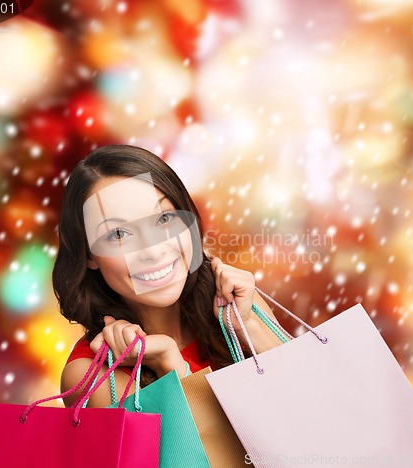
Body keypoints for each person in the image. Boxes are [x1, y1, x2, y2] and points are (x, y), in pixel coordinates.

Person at [54, 144, 283, 407]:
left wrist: (249, 327)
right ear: (89, 256)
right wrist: (171, 366)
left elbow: (315, 403)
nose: (153, 250)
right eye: (118, 234)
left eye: (164, 219)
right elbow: (216, 448)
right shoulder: (93, 375)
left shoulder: (240, 307)